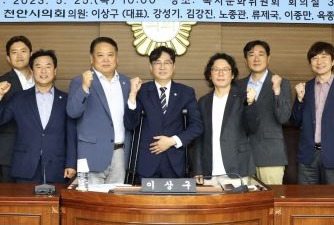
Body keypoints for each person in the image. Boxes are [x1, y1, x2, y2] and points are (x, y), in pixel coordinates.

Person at [0, 50, 76, 183]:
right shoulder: (19, 98)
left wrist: (71, 163)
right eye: (38, 67)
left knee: (56, 198)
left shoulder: (66, 99)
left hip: (56, 167)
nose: (43, 71)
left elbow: (71, 135)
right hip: (25, 166)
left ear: (55, 71)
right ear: (32, 71)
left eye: (48, 67)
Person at [124, 46, 203, 180]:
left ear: (174, 66)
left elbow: (197, 126)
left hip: (175, 163)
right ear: (151, 67)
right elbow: (130, 124)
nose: (162, 67)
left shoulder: (186, 92)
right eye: (157, 63)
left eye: (167, 63)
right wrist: (132, 94)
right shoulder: (141, 91)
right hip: (146, 163)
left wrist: (172, 141)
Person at [290, 41, 334, 185]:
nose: (319, 62)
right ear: (310, 62)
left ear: (333, 61)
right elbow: (295, 122)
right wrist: (300, 100)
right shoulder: (305, 88)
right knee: (306, 197)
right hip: (307, 156)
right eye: (314, 58)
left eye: (324, 57)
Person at [67, 37, 131, 184]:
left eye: (110, 55)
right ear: (91, 58)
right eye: (100, 55)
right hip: (92, 155)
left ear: (117, 58)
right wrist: (85, 87)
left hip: (120, 154)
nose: (106, 59)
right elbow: (72, 112)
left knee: (116, 197)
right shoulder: (79, 81)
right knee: (92, 198)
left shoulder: (126, 82)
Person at [192, 53, 257, 186]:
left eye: (225, 69)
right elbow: (199, 137)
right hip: (209, 171)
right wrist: (198, 169)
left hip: (237, 168)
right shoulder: (203, 102)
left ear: (232, 75)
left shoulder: (243, 97)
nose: (220, 73)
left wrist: (250, 104)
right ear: (210, 75)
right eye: (216, 69)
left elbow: (252, 127)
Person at [235, 40, 292, 185]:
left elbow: (284, 117)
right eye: (251, 55)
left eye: (261, 54)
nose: (256, 59)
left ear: (268, 58)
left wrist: (277, 90)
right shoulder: (237, 86)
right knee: (244, 197)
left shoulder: (281, 83)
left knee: (271, 197)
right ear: (245, 60)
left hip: (270, 155)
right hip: (242, 156)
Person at [0, 35, 34, 183]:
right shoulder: (1, 83)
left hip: (36, 151)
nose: (19, 55)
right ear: (8, 58)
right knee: (8, 194)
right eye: (14, 52)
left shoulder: (42, 78)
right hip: (9, 152)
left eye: (23, 51)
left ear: (30, 54)